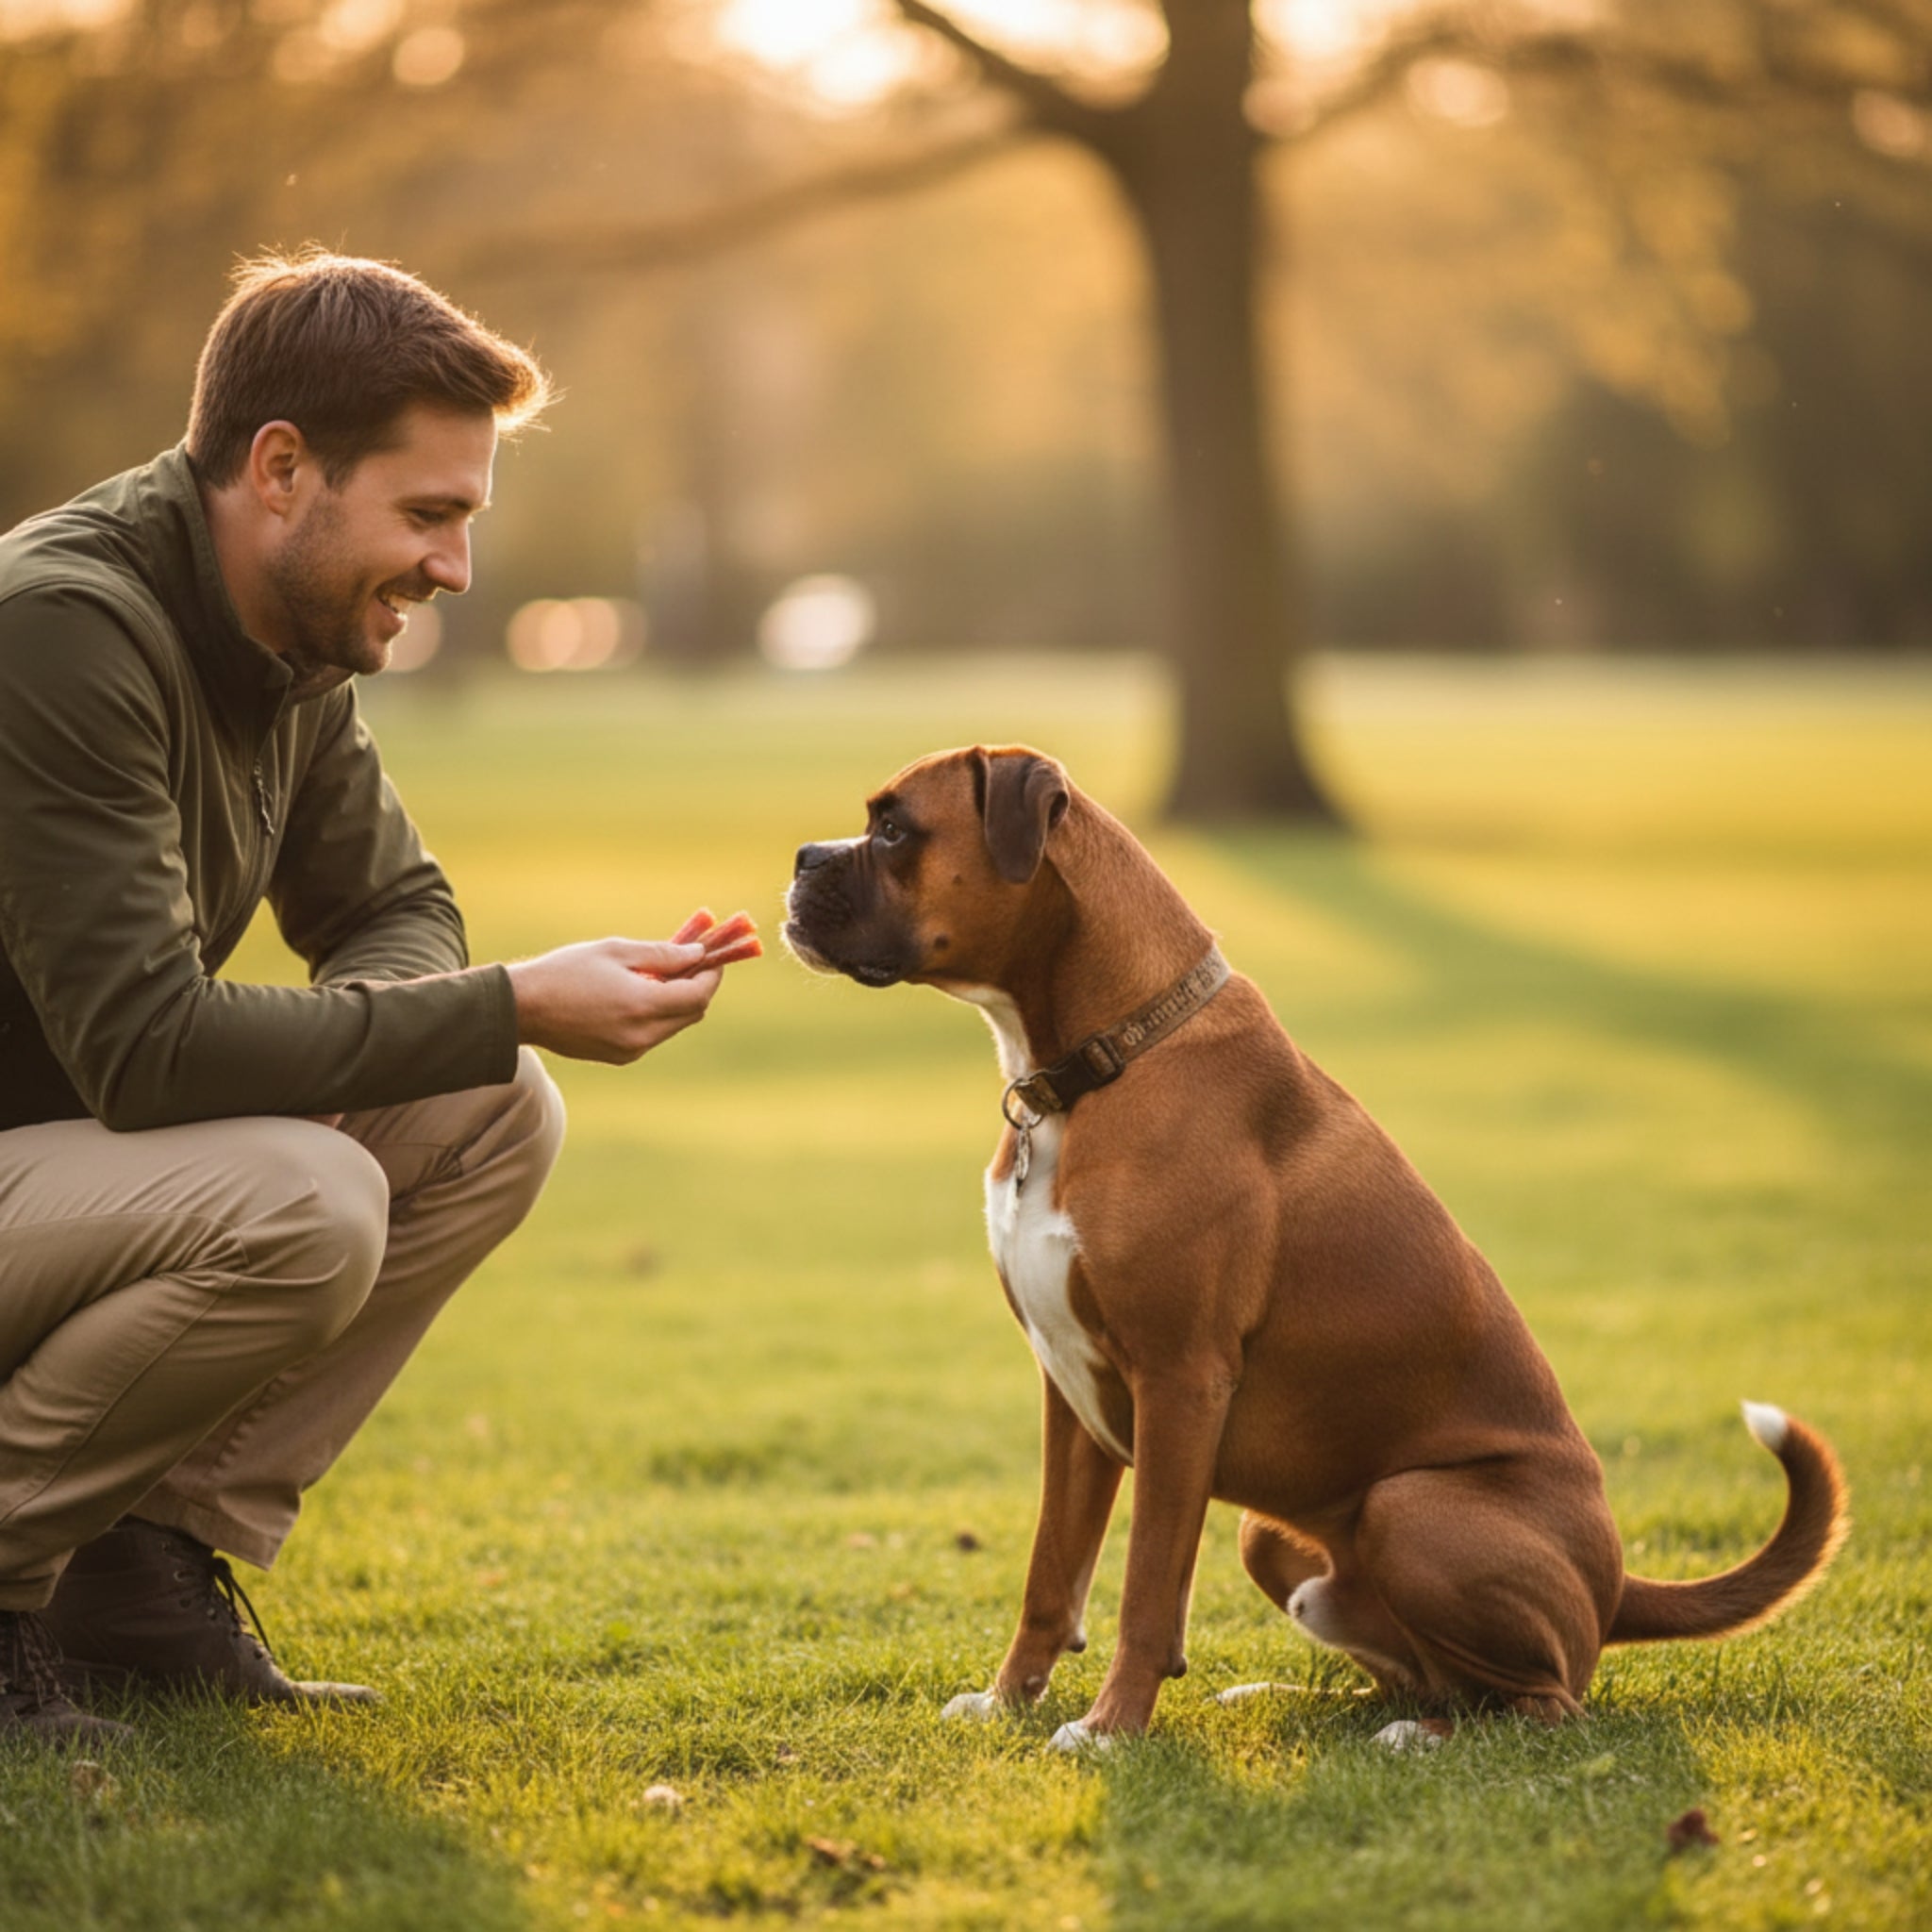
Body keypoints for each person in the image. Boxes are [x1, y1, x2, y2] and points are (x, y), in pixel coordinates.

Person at [0, 250, 726, 1744]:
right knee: (308, 1196)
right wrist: (502, 1000)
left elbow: (396, 912)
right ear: (281, 470)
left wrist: (432, 1031)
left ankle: (136, 1570)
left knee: (489, 1104)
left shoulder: (286, 638)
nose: (453, 568)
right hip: (52, 1143)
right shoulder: (63, 631)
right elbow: (146, 1051)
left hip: (57, 1164)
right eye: (430, 515)